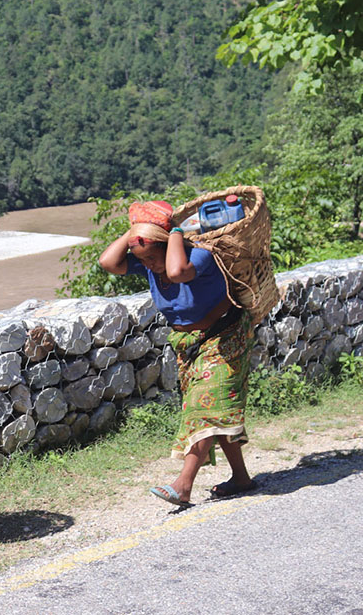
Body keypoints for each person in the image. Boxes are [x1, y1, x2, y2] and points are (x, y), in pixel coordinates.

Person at [97, 201, 258, 506]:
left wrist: (174, 232)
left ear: (169, 243)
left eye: (151, 258)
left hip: (226, 336)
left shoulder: (201, 255)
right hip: (189, 344)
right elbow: (108, 262)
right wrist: (136, 231)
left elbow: (177, 270)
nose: (149, 266)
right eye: (142, 260)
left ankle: (183, 486)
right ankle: (241, 477)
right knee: (216, 411)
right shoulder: (150, 264)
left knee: (204, 407)